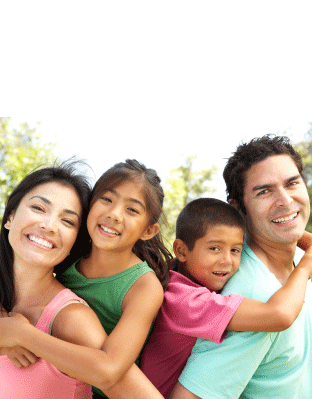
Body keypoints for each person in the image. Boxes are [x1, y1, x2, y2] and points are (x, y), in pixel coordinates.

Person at [0, 159, 171, 399]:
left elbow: (109, 370)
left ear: (148, 230)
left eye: (67, 221)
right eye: (106, 200)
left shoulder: (142, 286)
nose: (113, 214)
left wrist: (23, 334)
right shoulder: (73, 260)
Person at [172, 135, 312, 399]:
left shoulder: (297, 264)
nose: (285, 200)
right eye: (264, 191)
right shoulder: (253, 293)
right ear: (238, 210)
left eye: (292, 183)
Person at [140, 197, 312, 398]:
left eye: (235, 250)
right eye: (214, 248)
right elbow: (279, 315)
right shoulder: (185, 302)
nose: (226, 260)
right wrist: (305, 266)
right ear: (181, 250)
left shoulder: (177, 271)